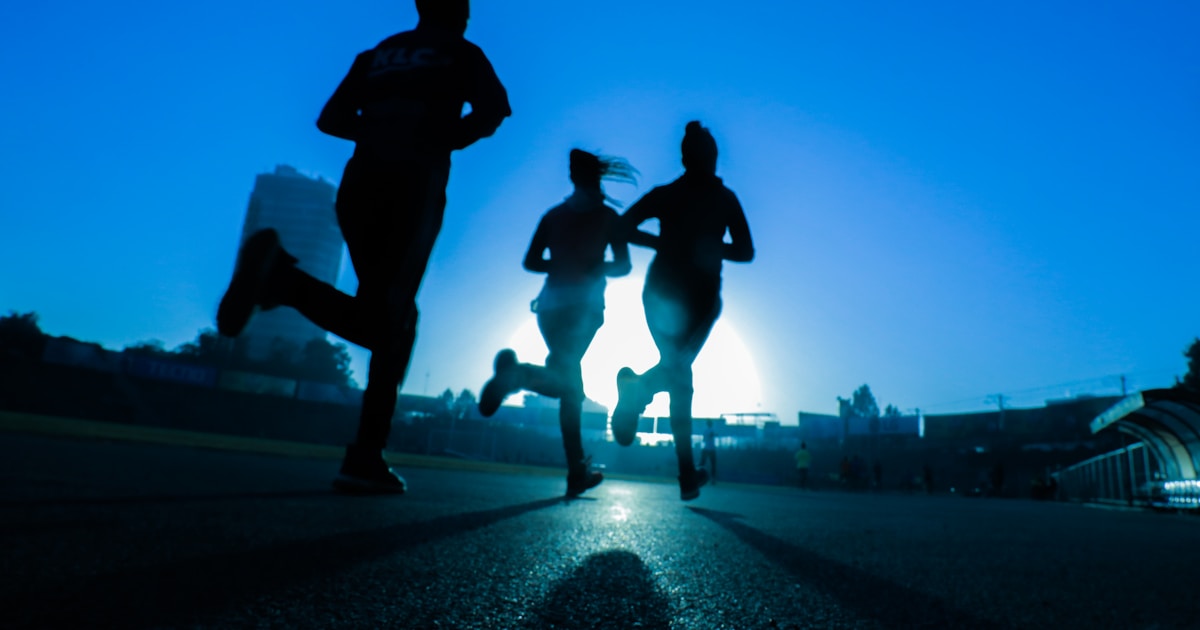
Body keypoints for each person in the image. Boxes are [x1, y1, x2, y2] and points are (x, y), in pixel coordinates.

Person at [215, 0, 510, 494]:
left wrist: (377, 130)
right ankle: (364, 454)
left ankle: (365, 452)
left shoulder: (377, 53)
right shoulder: (461, 52)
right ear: (454, 8)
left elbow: (329, 118)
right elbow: (495, 110)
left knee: (388, 316)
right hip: (413, 186)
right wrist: (441, 136)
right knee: (393, 317)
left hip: (360, 185)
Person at [611, 121, 755, 501]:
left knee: (678, 373)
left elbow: (622, 228)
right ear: (705, 158)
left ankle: (637, 393)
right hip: (685, 300)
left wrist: (675, 244)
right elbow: (745, 251)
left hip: (681, 300)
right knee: (680, 375)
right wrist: (688, 245)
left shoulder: (680, 195)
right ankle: (685, 473)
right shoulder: (716, 199)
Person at [478, 149, 635, 497]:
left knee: (570, 387)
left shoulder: (553, 216)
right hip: (584, 310)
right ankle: (518, 376)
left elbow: (531, 261)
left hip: (549, 308)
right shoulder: (609, 218)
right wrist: (593, 267)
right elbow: (624, 266)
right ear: (597, 177)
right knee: (570, 389)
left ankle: (576, 469)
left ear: (572, 178)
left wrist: (562, 264)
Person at [698, 419, 718, 484]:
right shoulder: (712, 430)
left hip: (706, 448)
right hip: (711, 449)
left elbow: (704, 439)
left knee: (702, 463)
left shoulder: (705, 430)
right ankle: (713, 479)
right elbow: (714, 434)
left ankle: (699, 477)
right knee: (713, 464)